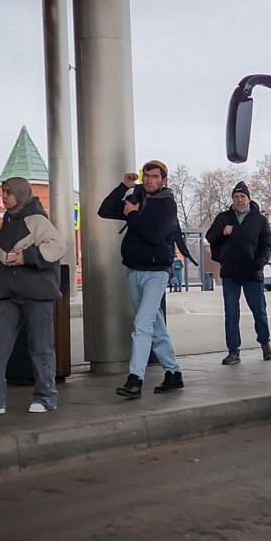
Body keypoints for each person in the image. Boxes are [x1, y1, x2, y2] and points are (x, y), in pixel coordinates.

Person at [0, 177, 67, 415]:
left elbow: (58, 246)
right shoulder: (8, 222)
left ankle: (46, 397)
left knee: (40, 347)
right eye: (3, 192)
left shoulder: (36, 219)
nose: (4, 197)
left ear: (22, 193)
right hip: (11, 295)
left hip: (36, 295)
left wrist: (26, 256)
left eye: (9, 192)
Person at [97, 160, 184, 399]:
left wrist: (133, 215)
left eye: (154, 176)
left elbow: (154, 235)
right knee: (155, 325)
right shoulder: (135, 196)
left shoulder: (167, 204)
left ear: (163, 179)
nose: (149, 180)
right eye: (146, 176)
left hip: (157, 272)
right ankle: (173, 373)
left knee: (142, 324)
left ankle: (135, 378)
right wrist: (122, 187)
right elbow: (105, 210)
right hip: (134, 270)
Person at [205, 180, 271, 364]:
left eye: (242, 196)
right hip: (230, 273)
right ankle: (233, 351)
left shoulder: (259, 220)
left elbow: (267, 246)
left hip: (252, 273)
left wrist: (258, 264)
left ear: (249, 199)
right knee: (231, 313)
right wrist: (222, 231)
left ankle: (265, 343)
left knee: (259, 311)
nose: (239, 200)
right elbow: (210, 237)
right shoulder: (223, 218)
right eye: (236, 197)